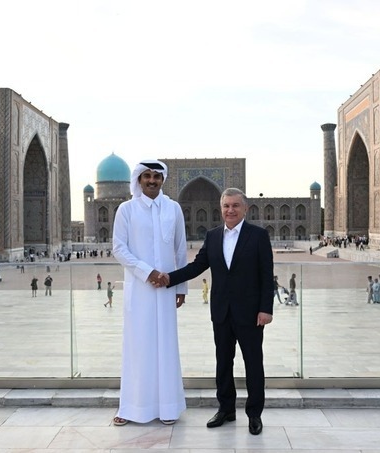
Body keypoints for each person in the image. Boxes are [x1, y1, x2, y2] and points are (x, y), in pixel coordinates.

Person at [160, 187, 274, 436]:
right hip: (222, 311)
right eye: (226, 206)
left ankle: (254, 414)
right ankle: (226, 409)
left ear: (245, 208)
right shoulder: (212, 236)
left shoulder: (257, 235)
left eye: (235, 205)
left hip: (251, 313)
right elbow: (197, 266)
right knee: (223, 363)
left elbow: (267, 275)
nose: (230, 210)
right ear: (221, 209)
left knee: (253, 364)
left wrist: (266, 309)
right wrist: (169, 278)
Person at [111, 159, 188, 426]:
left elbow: (180, 249)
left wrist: (181, 286)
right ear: (139, 180)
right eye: (147, 176)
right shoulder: (127, 210)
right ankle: (131, 407)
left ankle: (168, 408)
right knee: (138, 347)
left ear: (162, 180)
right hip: (140, 289)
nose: (152, 181)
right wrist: (148, 272)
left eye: (157, 176)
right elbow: (119, 248)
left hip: (167, 289)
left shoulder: (173, 208)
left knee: (166, 347)